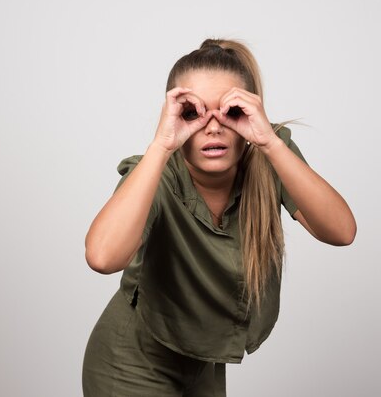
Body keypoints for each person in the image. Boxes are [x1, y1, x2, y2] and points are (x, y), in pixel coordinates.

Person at [82, 38, 356, 396]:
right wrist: (162, 145)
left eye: (230, 112)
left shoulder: (269, 160)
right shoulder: (158, 174)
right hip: (134, 359)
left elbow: (341, 231)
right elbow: (102, 257)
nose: (213, 127)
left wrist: (270, 142)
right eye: (193, 113)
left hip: (204, 362)